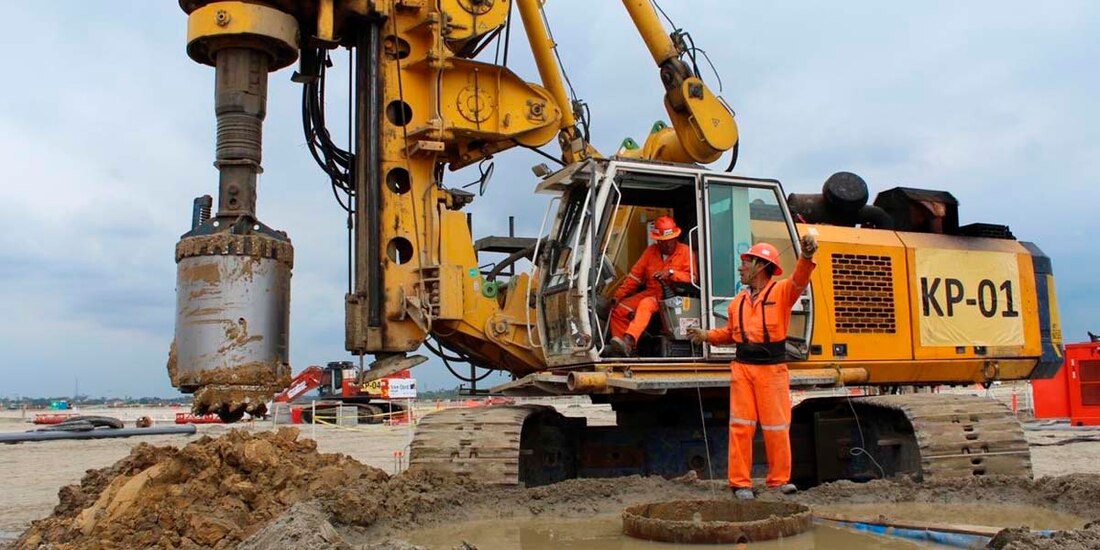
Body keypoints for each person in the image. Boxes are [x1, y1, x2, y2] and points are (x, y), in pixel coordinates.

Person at [688, 233, 818, 500]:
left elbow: (800, 280)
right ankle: (740, 484)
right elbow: (731, 333)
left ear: (760, 266)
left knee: (776, 427)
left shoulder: (781, 292)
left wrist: (806, 256)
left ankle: (779, 481)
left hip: (772, 370)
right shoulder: (739, 302)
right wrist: (706, 336)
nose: (740, 268)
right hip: (743, 369)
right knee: (740, 426)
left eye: (745, 263)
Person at [607, 216, 697, 357]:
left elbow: (693, 278)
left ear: (676, 237)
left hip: (673, 297)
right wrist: (618, 296)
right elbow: (635, 277)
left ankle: (629, 340)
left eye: (671, 240)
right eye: (664, 241)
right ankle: (622, 349)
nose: (668, 245)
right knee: (619, 310)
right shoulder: (650, 252)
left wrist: (672, 273)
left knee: (646, 304)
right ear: (658, 240)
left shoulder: (685, 252)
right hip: (652, 292)